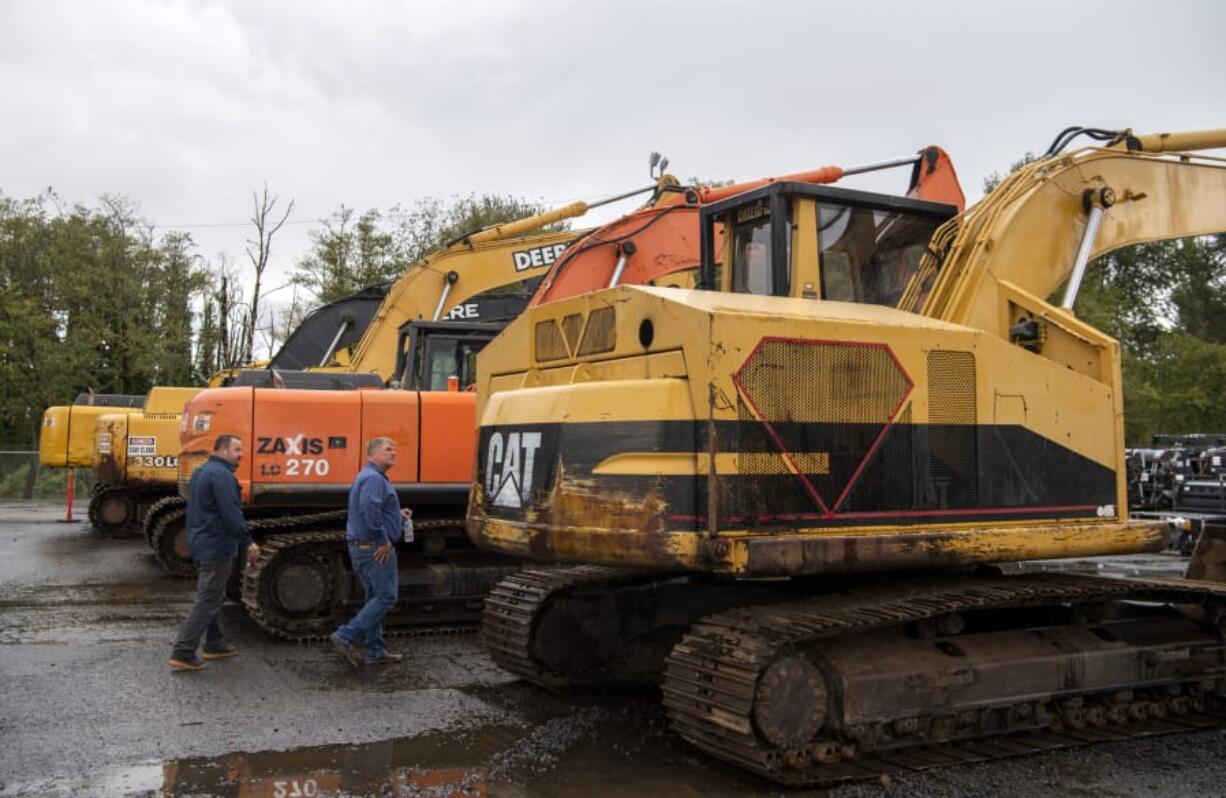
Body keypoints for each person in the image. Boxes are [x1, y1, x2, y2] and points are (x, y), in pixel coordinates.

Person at [169, 434, 259, 671]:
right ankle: (184, 651)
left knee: (214, 595)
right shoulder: (222, 476)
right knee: (208, 598)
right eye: (237, 449)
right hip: (216, 545)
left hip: (202, 541)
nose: (241, 454)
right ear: (222, 450)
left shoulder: (202, 471)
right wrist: (248, 542)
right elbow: (231, 513)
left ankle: (215, 643)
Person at [330, 436, 411, 667]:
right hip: (375, 548)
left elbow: (373, 509)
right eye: (388, 449)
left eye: (394, 449)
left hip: (364, 546)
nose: (393, 453)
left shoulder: (369, 477)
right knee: (386, 597)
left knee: (374, 598)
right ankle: (345, 635)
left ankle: (375, 651)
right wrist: (384, 540)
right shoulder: (374, 479)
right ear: (373, 454)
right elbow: (369, 511)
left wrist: (397, 514)